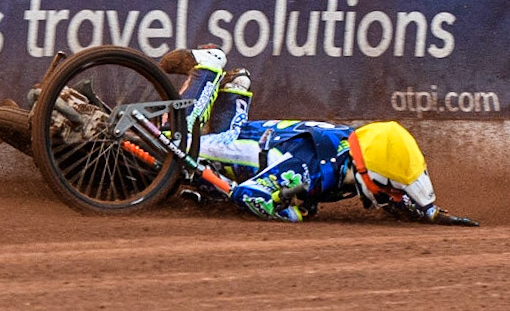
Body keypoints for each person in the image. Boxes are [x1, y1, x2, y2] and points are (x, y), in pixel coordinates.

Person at [159, 46, 478, 225]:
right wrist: (294, 213)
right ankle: (208, 67)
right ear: (370, 176)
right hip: (237, 148)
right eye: (391, 190)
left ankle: (233, 85)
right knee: (175, 144)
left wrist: (429, 211)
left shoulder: (355, 151)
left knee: (235, 95)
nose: (394, 198)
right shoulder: (310, 169)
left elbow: (398, 189)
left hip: (248, 134)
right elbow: (250, 196)